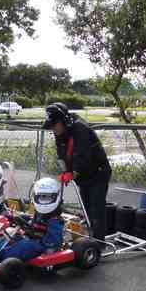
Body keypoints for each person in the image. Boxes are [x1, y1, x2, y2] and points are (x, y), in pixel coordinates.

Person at [43, 102, 112, 242]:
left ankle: (99, 243)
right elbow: (61, 153)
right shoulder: (60, 133)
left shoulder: (80, 128)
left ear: (63, 121)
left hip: (98, 172)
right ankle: (91, 238)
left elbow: (83, 155)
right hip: (84, 176)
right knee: (86, 208)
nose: (53, 129)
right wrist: (65, 171)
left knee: (96, 210)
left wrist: (73, 172)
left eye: (55, 125)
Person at [0, 177, 65, 262]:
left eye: (48, 197)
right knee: (9, 233)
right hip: (34, 240)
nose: (44, 201)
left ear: (56, 197)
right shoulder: (40, 213)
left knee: (24, 245)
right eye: (42, 197)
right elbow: (32, 221)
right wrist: (15, 217)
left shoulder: (55, 220)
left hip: (45, 247)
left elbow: (52, 242)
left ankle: (0, 259)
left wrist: (32, 236)